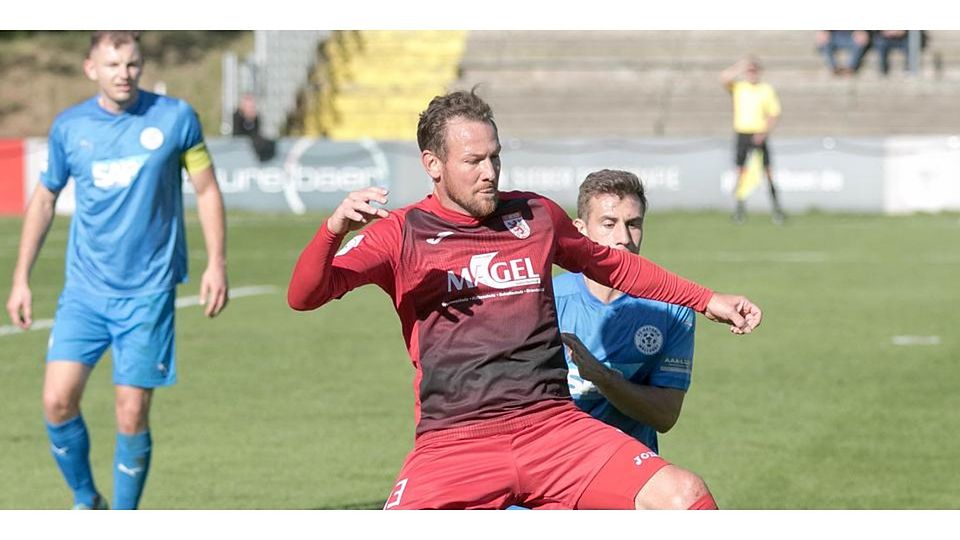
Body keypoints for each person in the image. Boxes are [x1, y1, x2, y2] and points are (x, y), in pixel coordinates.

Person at [288, 89, 762, 510]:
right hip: (454, 442)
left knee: (685, 496)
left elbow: (614, 265)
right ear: (433, 164)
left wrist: (707, 299)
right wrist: (332, 232)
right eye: (473, 161)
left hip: (552, 428)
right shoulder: (400, 233)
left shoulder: (535, 215)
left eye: (495, 157)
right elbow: (304, 296)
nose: (489, 173)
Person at [5, 31, 229, 510]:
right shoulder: (70, 128)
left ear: (140, 66)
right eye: (112, 65)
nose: (123, 74)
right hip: (84, 292)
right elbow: (45, 198)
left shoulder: (175, 119)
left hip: (148, 294)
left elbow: (206, 190)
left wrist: (217, 263)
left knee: (131, 413)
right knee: (56, 402)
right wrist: (21, 276)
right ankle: (88, 501)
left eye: (131, 64)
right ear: (91, 69)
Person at [554, 169, 695, 455]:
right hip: (555, 466)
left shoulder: (672, 309)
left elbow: (665, 416)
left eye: (633, 224)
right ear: (581, 230)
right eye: (609, 223)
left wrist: (603, 378)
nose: (623, 237)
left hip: (630, 468)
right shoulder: (545, 300)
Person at [720, 56, 786, 225]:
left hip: (759, 134)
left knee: (767, 172)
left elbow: (774, 114)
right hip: (742, 134)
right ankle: (739, 210)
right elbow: (724, 77)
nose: (751, 74)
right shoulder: (739, 87)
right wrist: (740, 66)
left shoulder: (766, 89)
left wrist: (763, 132)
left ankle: (777, 210)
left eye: (753, 70)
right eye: (749, 71)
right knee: (741, 173)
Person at [231, 93, 275, 162]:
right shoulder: (236, 116)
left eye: (252, 106)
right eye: (248, 106)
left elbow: (256, 132)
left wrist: (251, 119)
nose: (250, 108)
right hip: (240, 149)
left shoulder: (255, 118)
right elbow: (238, 134)